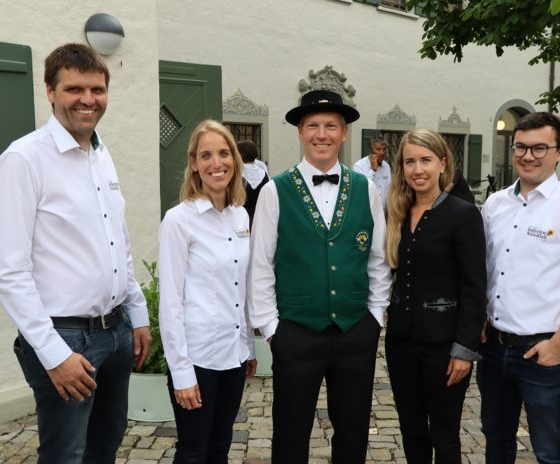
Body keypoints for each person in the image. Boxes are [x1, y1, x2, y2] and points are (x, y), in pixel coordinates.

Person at [0, 43, 151, 463]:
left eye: (97, 89)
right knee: (66, 454)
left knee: (106, 445)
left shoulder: (100, 154)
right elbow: (8, 270)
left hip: (115, 332)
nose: (88, 100)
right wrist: (54, 354)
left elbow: (117, 241)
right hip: (65, 338)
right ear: (50, 91)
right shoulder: (23, 160)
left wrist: (137, 314)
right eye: (74, 89)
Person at [247, 89, 392, 464]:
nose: (321, 134)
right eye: (312, 125)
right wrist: (271, 328)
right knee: (290, 432)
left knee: (354, 430)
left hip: (355, 331)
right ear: (300, 132)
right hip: (296, 332)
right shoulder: (275, 191)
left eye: (330, 125)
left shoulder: (365, 188)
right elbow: (261, 264)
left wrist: (375, 317)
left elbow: (378, 258)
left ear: (344, 133)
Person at [478, 112, 560, 463]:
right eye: (520, 147)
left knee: (550, 451)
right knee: (496, 441)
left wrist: (558, 344)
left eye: (540, 148)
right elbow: (485, 269)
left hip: (545, 352)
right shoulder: (495, 205)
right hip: (494, 350)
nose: (528, 156)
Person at [384, 129, 486, 463]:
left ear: (443, 164)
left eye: (425, 160)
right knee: (411, 429)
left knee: (444, 434)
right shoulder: (396, 212)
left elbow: (475, 287)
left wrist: (464, 349)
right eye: (410, 162)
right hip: (401, 343)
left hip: (444, 347)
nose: (418, 169)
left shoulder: (463, 214)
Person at [159, 120, 257, 464]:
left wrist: (248, 346)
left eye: (224, 153)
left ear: (235, 160)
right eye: (206, 155)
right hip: (197, 358)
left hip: (234, 355)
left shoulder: (240, 216)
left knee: (220, 447)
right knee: (192, 452)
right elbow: (170, 303)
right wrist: (181, 372)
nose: (217, 163)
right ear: (194, 163)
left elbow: (241, 288)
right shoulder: (178, 220)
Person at [353, 134, 392, 207]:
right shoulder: (359, 165)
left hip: (383, 210)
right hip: (365, 208)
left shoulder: (386, 166)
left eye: (384, 149)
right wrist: (373, 170)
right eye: (378, 149)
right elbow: (361, 188)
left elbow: (389, 189)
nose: (382, 152)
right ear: (371, 150)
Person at [237, 139, 269, 227]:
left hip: (241, 221)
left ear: (240, 154)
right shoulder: (264, 173)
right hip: (261, 220)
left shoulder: (236, 174)